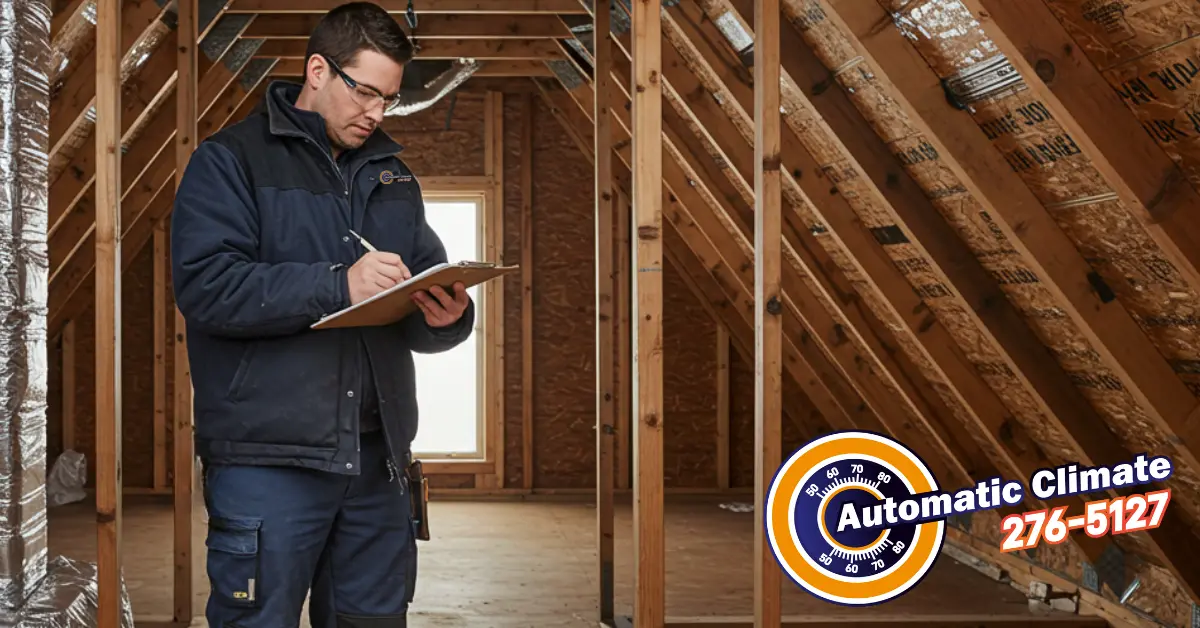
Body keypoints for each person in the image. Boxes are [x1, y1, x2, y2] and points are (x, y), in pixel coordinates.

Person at [170, 3, 474, 626]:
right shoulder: (230, 162)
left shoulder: (391, 177)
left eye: (388, 99)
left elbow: (417, 293)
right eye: (366, 93)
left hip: (375, 462)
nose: (376, 113)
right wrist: (340, 285)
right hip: (268, 465)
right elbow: (207, 286)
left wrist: (446, 319)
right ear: (317, 71)